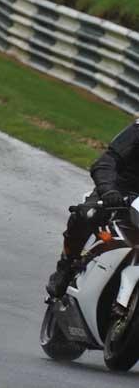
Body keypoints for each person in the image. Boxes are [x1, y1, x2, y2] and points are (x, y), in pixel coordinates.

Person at [46, 119, 139, 298]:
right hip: (118, 192)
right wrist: (108, 190)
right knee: (87, 214)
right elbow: (106, 161)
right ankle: (65, 267)